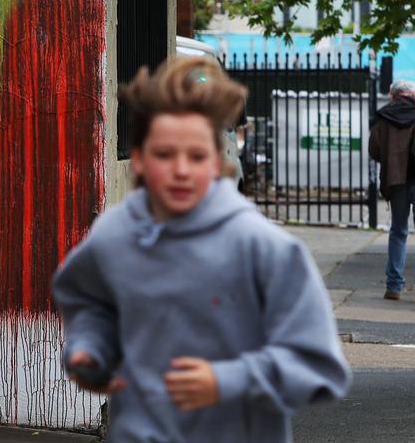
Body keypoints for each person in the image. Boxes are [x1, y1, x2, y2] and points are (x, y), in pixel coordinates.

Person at [52, 56, 351, 442]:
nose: (180, 169)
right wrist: (89, 349)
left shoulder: (265, 248)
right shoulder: (113, 234)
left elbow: (319, 363)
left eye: (196, 156)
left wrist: (228, 380)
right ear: (139, 159)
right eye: (164, 154)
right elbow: (88, 303)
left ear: (217, 162)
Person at [369, 80, 415, 300]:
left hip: (396, 180)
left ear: (393, 95)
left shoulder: (384, 116)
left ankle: (394, 286)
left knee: (398, 231)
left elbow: (375, 150)